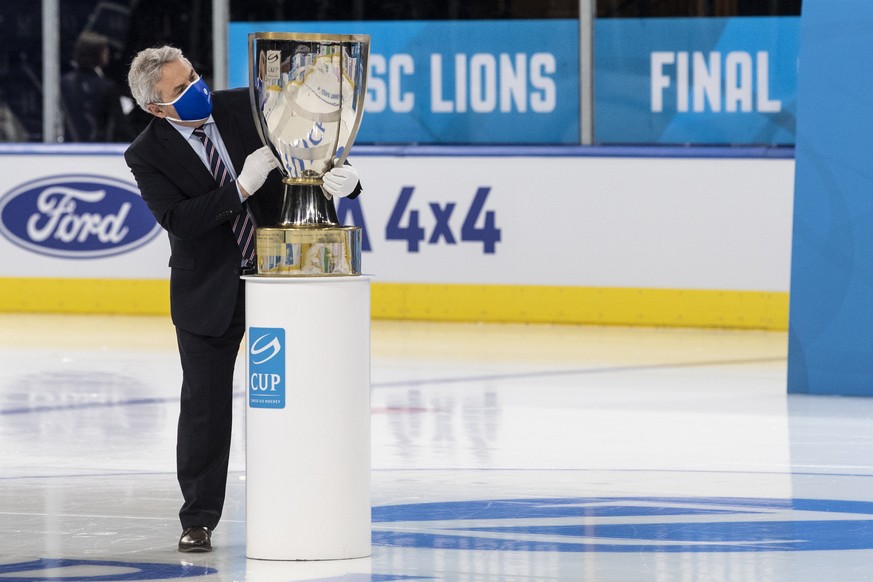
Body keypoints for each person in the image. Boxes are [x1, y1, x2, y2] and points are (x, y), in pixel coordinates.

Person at [124, 45, 362, 553]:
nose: (197, 89)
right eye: (181, 89)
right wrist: (241, 187)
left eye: (194, 76)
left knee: (305, 392)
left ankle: (309, 497)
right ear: (156, 107)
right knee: (205, 409)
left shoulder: (246, 106)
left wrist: (351, 180)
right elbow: (180, 222)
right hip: (208, 290)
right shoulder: (145, 153)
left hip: (284, 278)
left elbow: (312, 146)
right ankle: (199, 518)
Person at [61, 31, 134, 142]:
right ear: (98, 54)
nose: (108, 54)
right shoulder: (106, 87)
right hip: (98, 148)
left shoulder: (64, 82)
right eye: (105, 51)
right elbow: (120, 126)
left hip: (68, 147)